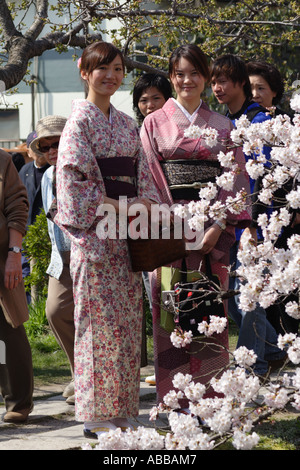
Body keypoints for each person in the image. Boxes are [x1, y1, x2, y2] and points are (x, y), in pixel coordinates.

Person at [54, 41, 160, 438]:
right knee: (96, 329)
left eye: (118, 68)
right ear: (85, 72)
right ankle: (95, 413)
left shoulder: (126, 123)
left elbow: (142, 173)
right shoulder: (78, 123)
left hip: (125, 239)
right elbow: (74, 188)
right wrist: (126, 204)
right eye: (103, 69)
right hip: (96, 241)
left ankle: (122, 409)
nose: (112, 76)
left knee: (128, 329)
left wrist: (143, 203)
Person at [140, 44, 251, 408]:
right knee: (168, 311)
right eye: (179, 74)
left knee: (209, 312)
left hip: (212, 233)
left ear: (205, 77)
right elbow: (150, 178)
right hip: (168, 232)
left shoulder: (223, 126)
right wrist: (171, 226)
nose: (187, 80)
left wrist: (217, 224)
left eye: (194, 73)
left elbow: (234, 179)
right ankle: (174, 402)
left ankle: (212, 401)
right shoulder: (154, 122)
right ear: (171, 78)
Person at [211, 54, 287, 375]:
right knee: (235, 300)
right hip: (230, 222)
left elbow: (264, 180)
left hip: (255, 224)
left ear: (240, 82)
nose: (217, 87)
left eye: (224, 80)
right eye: (214, 81)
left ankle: (250, 365)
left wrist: (255, 226)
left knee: (248, 296)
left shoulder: (259, 123)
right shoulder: (224, 122)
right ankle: (273, 349)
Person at [247, 60, 299, 335]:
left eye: (261, 88)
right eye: (251, 87)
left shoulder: (287, 122)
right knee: (264, 280)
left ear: (274, 91)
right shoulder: (245, 122)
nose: (255, 93)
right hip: (260, 210)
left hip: (286, 209)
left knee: (286, 280)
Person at [29, 115, 75, 405]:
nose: (51, 151)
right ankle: (79, 372)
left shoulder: (84, 167)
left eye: (56, 143)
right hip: (62, 256)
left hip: (92, 253)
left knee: (90, 318)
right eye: (45, 147)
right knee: (55, 311)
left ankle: (87, 378)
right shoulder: (47, 176)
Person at [133, 72, 173, 384]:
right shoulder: (132, 135)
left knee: (174, 297)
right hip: (143, 226)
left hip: (176, 225)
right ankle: (164, 369)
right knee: (154, 296)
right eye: (143, 100)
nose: (149, 105)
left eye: (155, 98)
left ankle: (176, 366)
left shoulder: (176, 134)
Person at [0, 148, 34, 423]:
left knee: (8, 328)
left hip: (1, 256)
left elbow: (17, 205)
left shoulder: (2, 160)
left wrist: (14, 253)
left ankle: (18, 401)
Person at [19, 131, 50, 302]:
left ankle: (40, 312)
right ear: (29, 152)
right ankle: (29, 312)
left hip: (46, 235)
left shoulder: (54, 171)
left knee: (43, 275)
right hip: (26, 233)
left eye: (42, 147)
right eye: (35, 148)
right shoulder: (25, 171)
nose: (39, 152)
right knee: (26, 272)